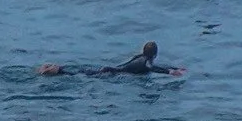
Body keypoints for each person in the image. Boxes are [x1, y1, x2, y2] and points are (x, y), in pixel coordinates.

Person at [40, 42, 180, 77]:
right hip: (112, 74)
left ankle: (59, 69)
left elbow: (154, 66)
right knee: (81, 75)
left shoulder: (140, 57)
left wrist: (173, 68)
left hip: (110, 69)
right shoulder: (146, 62)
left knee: (84, 72)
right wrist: (169, 72)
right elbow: (152, 68)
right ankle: (58, 71)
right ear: (155, 54)